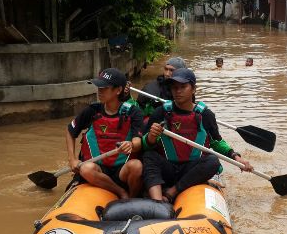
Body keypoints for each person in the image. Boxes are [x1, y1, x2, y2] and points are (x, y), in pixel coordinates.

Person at [141, 68, 253, 202]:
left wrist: (236, 157)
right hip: (168, 168)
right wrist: (151, 137)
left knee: (212, 161)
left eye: (183, 87)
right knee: (149, 156)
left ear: (193, 89)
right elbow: (145, 145)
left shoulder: (205, 115)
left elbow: (217, 142)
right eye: (174, 87)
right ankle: (157, 202)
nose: (178, 91)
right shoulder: (160, 112)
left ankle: (172, 192)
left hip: (192, 170)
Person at [66, 68, 144, 199]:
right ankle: (121, 192)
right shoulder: (92, 110)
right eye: (99, 87)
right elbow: (70, 131)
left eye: (104, 88)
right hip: (98, 170)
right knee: (85, 169)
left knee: (137, 166)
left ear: (118, 90)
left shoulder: (133, 112)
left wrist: (131, 144)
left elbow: (138, 141)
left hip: (122, 170)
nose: (99, 91)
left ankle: (132, 198)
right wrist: (72, 159)